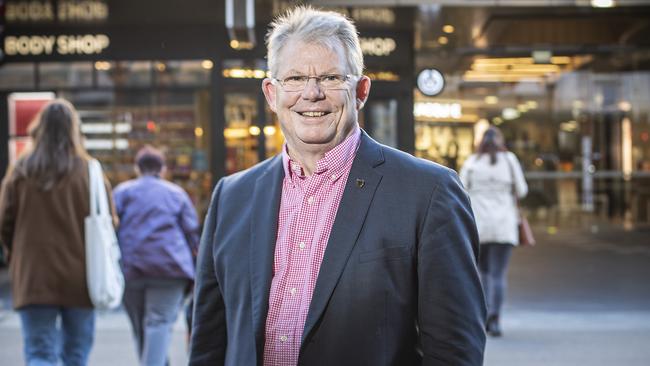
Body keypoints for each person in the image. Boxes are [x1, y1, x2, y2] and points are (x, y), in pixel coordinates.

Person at [190, 6, 486, 366]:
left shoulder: (428, 192)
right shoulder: (232, 197)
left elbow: (454, 351)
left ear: (360, 90)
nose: (311, 94)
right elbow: (208, 341)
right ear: (271, 93)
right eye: (295, 78)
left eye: (331, 78)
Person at [0, 99, 116, 365]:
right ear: (74, 130)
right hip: (82, 276)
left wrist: (14, 251)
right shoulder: (90, 172)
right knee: (76, 355)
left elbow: (4, 222)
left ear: (38, 130)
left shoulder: (21, 170)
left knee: (39, 353)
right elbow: (109, 222)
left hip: (33, 276)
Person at [113, 145, 200, 366]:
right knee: (158, 323)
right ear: (162, 169)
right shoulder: (176, 194)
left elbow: (110, 229)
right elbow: (193, 233)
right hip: (170, 268)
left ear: (137, 167)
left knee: (141, 326)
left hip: (131, 268)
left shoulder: (122, 192)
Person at [459, 126, 528, 337]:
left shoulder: (472, 162)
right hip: (504, 226)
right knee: (498, 273)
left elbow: (459, 190)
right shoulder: (509, 160)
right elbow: (523, 190)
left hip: (479, 225)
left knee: (481, 272)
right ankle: (496, 319)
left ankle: (482, 316)